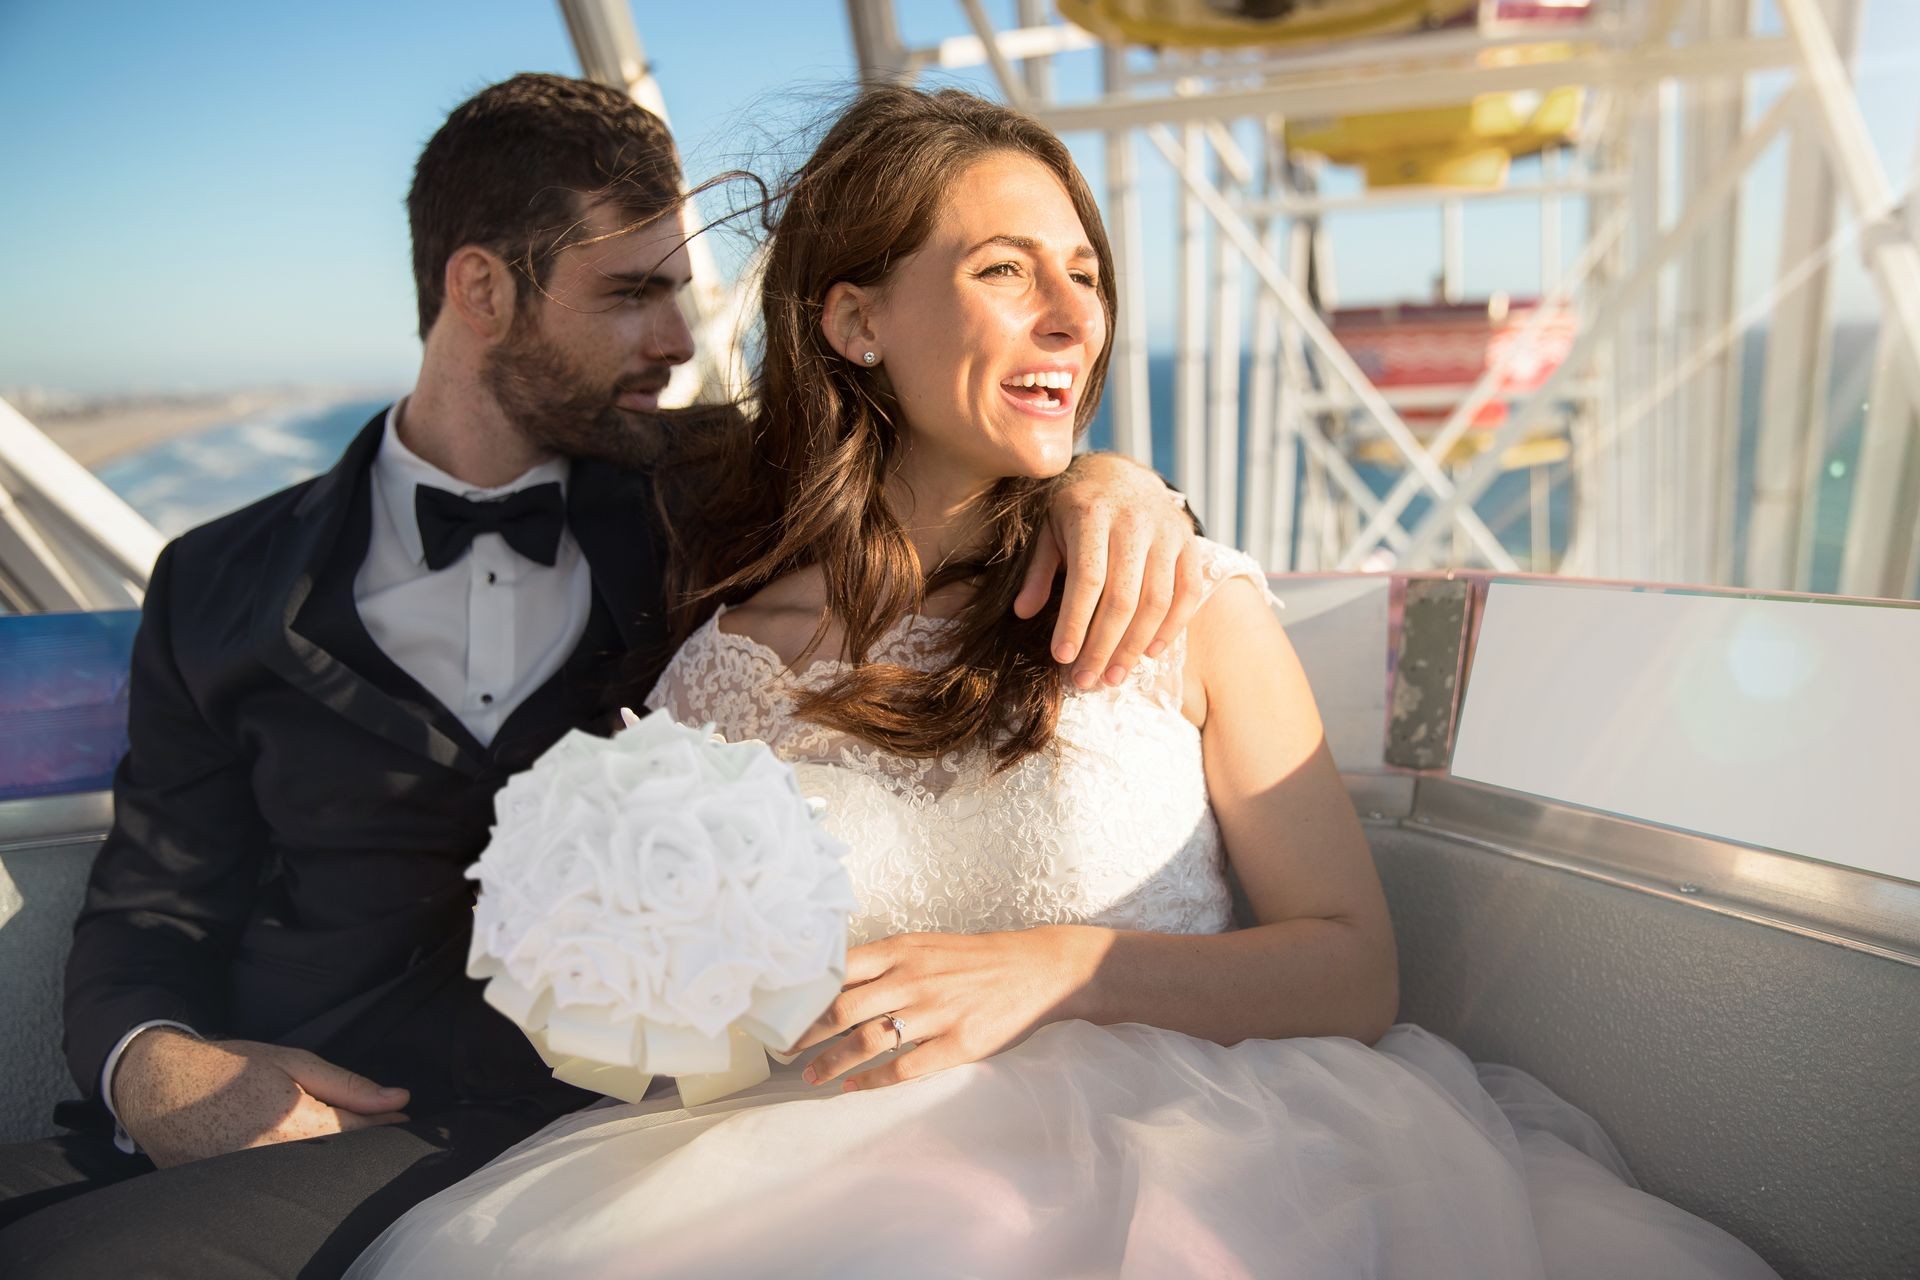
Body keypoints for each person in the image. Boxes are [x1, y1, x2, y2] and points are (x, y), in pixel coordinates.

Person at [347, 86, 1779, 1279]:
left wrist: (1059, 973)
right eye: (1005, 270)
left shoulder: (1180, 597)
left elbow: (1354, 964)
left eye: (1084, 276)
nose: (1069, 317)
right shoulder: (732, 660)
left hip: (1210, 1172)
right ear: (856, 322)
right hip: (803, 1184)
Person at [0, 75, 1204, 1280]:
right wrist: (154, 1065)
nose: (679, 340)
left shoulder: (726, 502)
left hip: (563, 1134)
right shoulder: (216, 576)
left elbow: (948, 479)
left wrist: (1109, 484)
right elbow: (153, 902)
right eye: (633, 295)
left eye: (679, 291)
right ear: (480, 290)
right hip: (283, 1087)